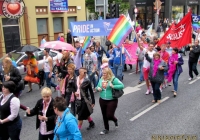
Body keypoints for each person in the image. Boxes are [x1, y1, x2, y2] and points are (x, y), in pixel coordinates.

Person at [96, 67, 124, 135]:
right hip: (102, 99)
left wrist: (113, 86)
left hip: (112, 100)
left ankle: (115, 119)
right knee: (104, 115)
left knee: (109, 115)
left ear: (109, 74)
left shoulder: (113, 79)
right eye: (103, 73)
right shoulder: (101, 79)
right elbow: (97, 87)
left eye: (105, 73)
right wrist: (98, 88)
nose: (103, 75)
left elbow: (122, 85)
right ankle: (106, 129)